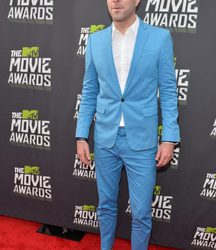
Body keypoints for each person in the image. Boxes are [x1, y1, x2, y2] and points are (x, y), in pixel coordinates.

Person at [75, 0, 180, 249]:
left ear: (137, 1)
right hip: (105, 139)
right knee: (106, 206)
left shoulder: (159, 38)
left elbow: (168, 91)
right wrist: (81, 136)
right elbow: (89, 91)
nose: (116, 0)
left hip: (142, 142)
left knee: (142, 213)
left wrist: (169, 138)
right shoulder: (95, 41)